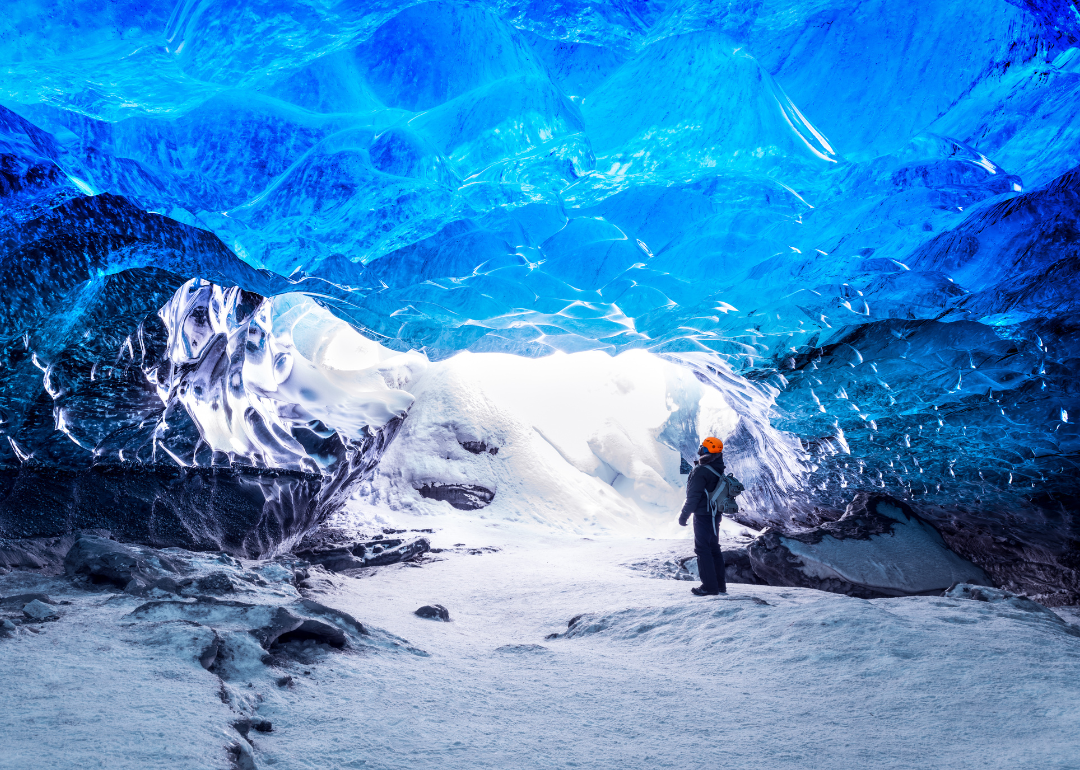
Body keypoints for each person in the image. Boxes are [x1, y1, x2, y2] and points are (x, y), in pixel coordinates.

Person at [678, 437, 727, 596]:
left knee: (702, 549)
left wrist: (684, 516)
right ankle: (719, 586)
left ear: (706, 450)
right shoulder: (717, 467)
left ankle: (709, 587)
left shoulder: (701, 470)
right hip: (714, 514)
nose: (700, 448)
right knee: (713, 548)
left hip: (703, 515)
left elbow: (693, 497)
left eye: (703, 447)